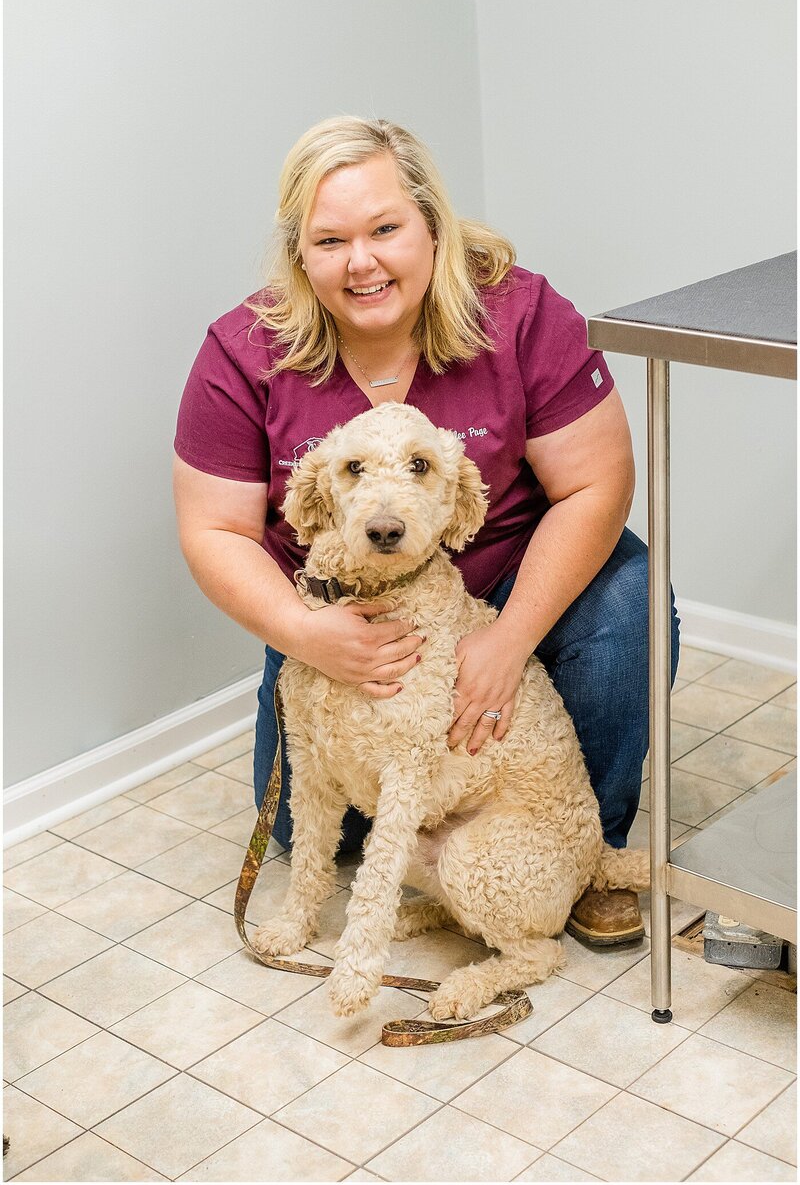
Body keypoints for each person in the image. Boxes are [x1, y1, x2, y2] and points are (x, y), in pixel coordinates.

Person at [173, 116, 680, 947]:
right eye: (329, 239)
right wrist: (308, 633)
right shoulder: (243, 352)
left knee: (631, 603)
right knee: (317, 834)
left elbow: (598, 482)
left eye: (385, 228)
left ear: (432, 226)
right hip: (351, 614)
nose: (361, 261)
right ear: (299, 252)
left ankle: (581, 854)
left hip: (512, 578)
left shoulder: (520, 312)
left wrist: (508, 641)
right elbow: (213, 530)